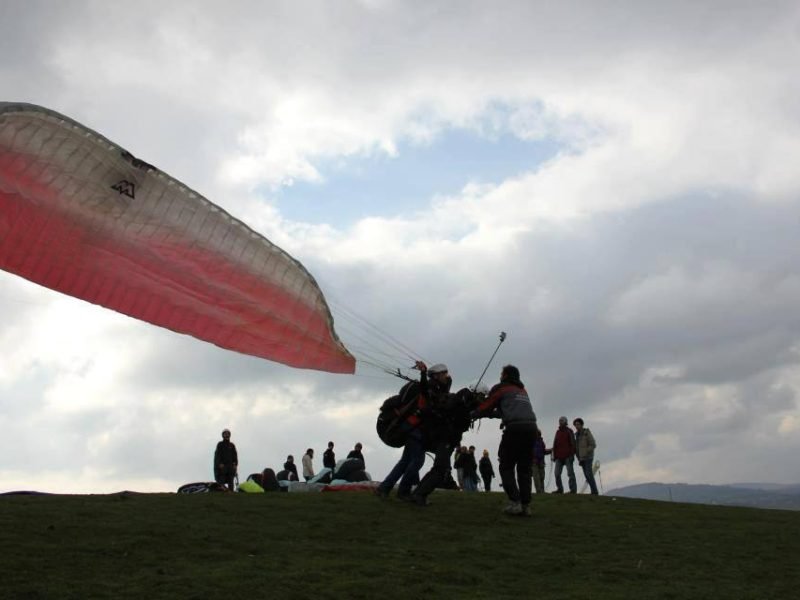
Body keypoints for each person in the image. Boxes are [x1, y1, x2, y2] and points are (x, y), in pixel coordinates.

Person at [471, 365, 538, 516]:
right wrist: (490, 414)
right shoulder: (522, 390)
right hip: (532, 429)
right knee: (524, 469)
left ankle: (515, 502)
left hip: (514, 430)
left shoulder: (502, 388)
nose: (500, 376)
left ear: (506, 375)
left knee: (506, 466)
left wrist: (474, 413)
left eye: (501, 373)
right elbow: (504, 411)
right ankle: (526, 506)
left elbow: (487, 406)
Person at [375, 361, 445, 500]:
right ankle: (403, 492)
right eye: (444, 373)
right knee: (417, 461)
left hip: (414, 428)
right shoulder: (430, 386)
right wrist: (424, 373)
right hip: (415, 429)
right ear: (436, 375)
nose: (446, 376)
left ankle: (384, 488)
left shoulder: (437, 388)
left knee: (405, 462)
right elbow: (425, 389)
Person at [550, 416, 577, 494]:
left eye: (562, 420)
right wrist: (554, 456)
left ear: (565, 422)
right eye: (559, 420)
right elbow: (555, 444)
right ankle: (560, 489)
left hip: (568, 456)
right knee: (557, 474)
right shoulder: (557, 432)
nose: (560, 422)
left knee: (570, 473)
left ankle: (573, 490)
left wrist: (572, 454)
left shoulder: (569, 431)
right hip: (558, 457)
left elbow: (573, 443)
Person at [573, 418, 599, 495]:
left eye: (578, 424)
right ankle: (593, 491)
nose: (576, 426)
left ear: (581, 425)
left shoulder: (586, 433)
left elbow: (593, 444)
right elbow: (577, 447)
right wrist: (578, 456)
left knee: (589, 474)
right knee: (586, 475)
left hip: (588, 457)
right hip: (581, 458)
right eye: (575, 425)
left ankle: (594, 491)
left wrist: (586, 452)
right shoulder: (576, 435)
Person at [532, 429, 546, 494]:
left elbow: (543, 451)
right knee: (536, 477)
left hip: (541, 462)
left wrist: (551, 450)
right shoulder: (530, 442)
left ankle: (542, 491)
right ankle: (539, 491)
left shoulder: (541, 442)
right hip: (534, 462)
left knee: (541, 477)